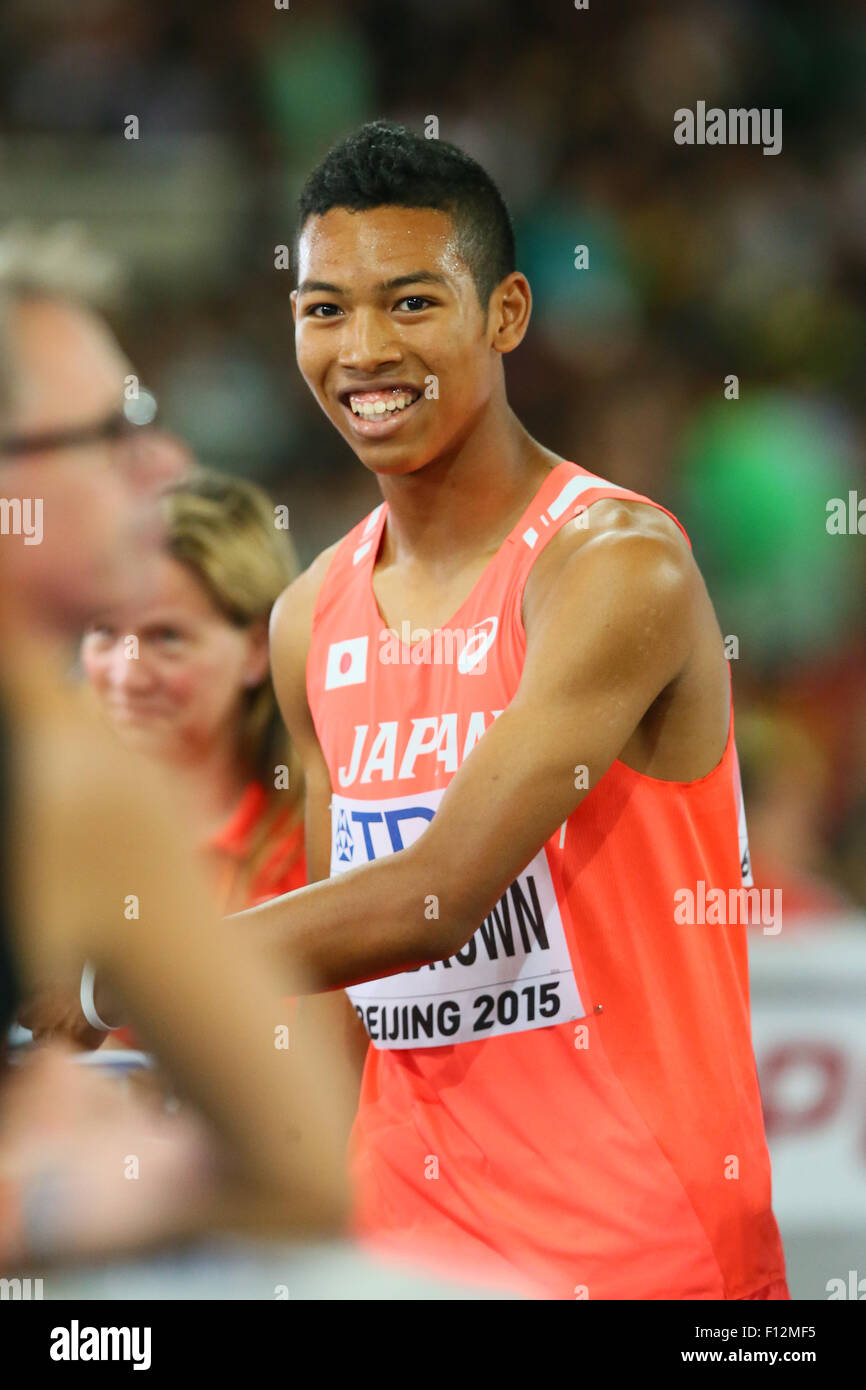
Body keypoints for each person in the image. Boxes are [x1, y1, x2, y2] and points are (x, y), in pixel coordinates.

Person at [227, 121, 788, 1300]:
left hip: (643, 1256)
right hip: (398, 1255)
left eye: (410, 302)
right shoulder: (307, 618)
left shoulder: (615, 566)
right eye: (323, 310)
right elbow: (343, 958)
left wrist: (118, 970)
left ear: (507, 314)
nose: (363, 350)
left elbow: (431, 898)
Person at [0, 225, 350, 1264]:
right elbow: (292, 1168)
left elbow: (301, 1157)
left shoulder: (78, 777)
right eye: (110, 433)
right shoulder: (72, 779)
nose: (165, 461)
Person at [81, 471, 306, 919]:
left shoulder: (325, 848)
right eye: (105, 632)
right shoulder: (44, 836)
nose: (127, 677)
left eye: (167, 637)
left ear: (259, 648)